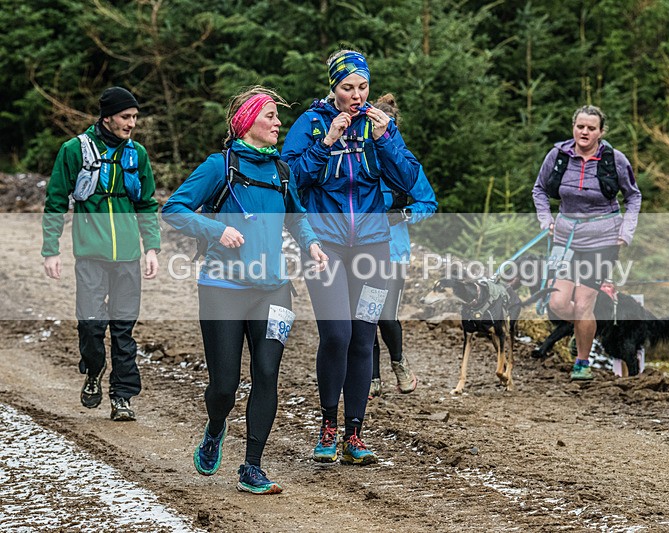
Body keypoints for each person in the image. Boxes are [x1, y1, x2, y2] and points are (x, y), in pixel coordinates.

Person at [162, 86, 326, 494]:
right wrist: (217, 229)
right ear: (247, 121)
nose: (278, 122)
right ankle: (215, 427)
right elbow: (174, 210)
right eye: (270, 115)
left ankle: (252, 466)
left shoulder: (281, 171)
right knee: (224, 385)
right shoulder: (220, 166)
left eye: (277, 116)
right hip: (223, 288)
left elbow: (297, 217)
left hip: (274, 291)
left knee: (267, 373)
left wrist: (312, 243)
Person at [282, 50, 420, 465]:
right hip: (324, 246)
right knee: (337, 335)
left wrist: (387, 140)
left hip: (375, 247)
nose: (357, 96)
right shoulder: (310, 124)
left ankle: (354, 434)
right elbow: (289, 180)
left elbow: (410, 181)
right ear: (333, 88)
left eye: (363, 87)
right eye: (348, 88)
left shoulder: (380, 125)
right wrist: (325, 144)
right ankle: (327, 425)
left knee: (363, 336)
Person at [42, 86, 160, 421]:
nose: (132, 124)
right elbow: (54, 201)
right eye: (126, 117)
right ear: (107, 116)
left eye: (135, 117)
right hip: (90, 256)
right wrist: (51, 250)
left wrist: (151, 247)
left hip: (127, 257)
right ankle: (94, 370)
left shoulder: (137, 154)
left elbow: (147, 203)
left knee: (124, 330)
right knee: (91, 327)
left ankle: (122, 396)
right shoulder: (74, 150)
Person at [532, 105, 641, 381]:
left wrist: (625, 232)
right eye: (580, 126)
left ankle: (582, 363)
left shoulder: (614, 159)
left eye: (591, 128)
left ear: (600, 132)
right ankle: (583, 331)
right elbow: (540, 190)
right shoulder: (557, 156)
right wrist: (546, 221)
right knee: (556, 303)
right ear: (573, 128)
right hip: (566, 238)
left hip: (602, 239)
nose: (585, 132)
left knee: (583, 304)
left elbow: (633, 196)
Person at [368, 94, 437, 399]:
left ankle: (398, 362)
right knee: (364, 315)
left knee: (385, 315)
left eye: (386, 128)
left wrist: (404, 214)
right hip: (359, 248)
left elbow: (429, 202)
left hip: (394, 251)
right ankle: (370, 377)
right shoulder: (358, 158)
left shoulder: (405, 164)